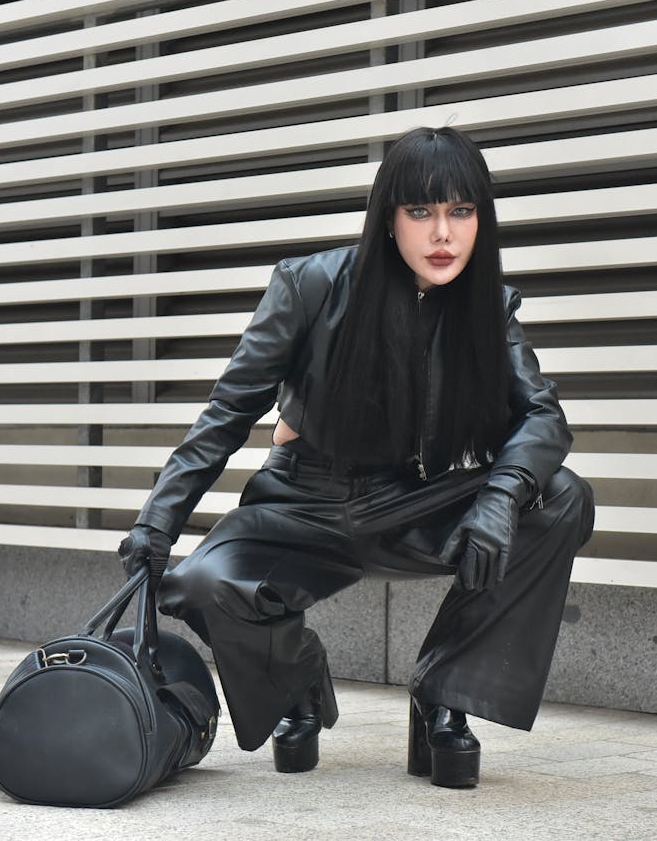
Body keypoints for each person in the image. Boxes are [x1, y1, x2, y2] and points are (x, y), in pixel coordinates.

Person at [117, 126, 595, 788]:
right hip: (300, 503)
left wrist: (498, 497)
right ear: (388, 218)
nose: (443, 235)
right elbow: (226, 413)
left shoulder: (487, 307)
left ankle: (444, 696)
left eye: (461, 211)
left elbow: (542, 414)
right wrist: (156, 521)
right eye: (421, 212)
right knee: (201, 584)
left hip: (411, 503)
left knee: (561, 494)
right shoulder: (309, 286)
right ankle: (300, 682)